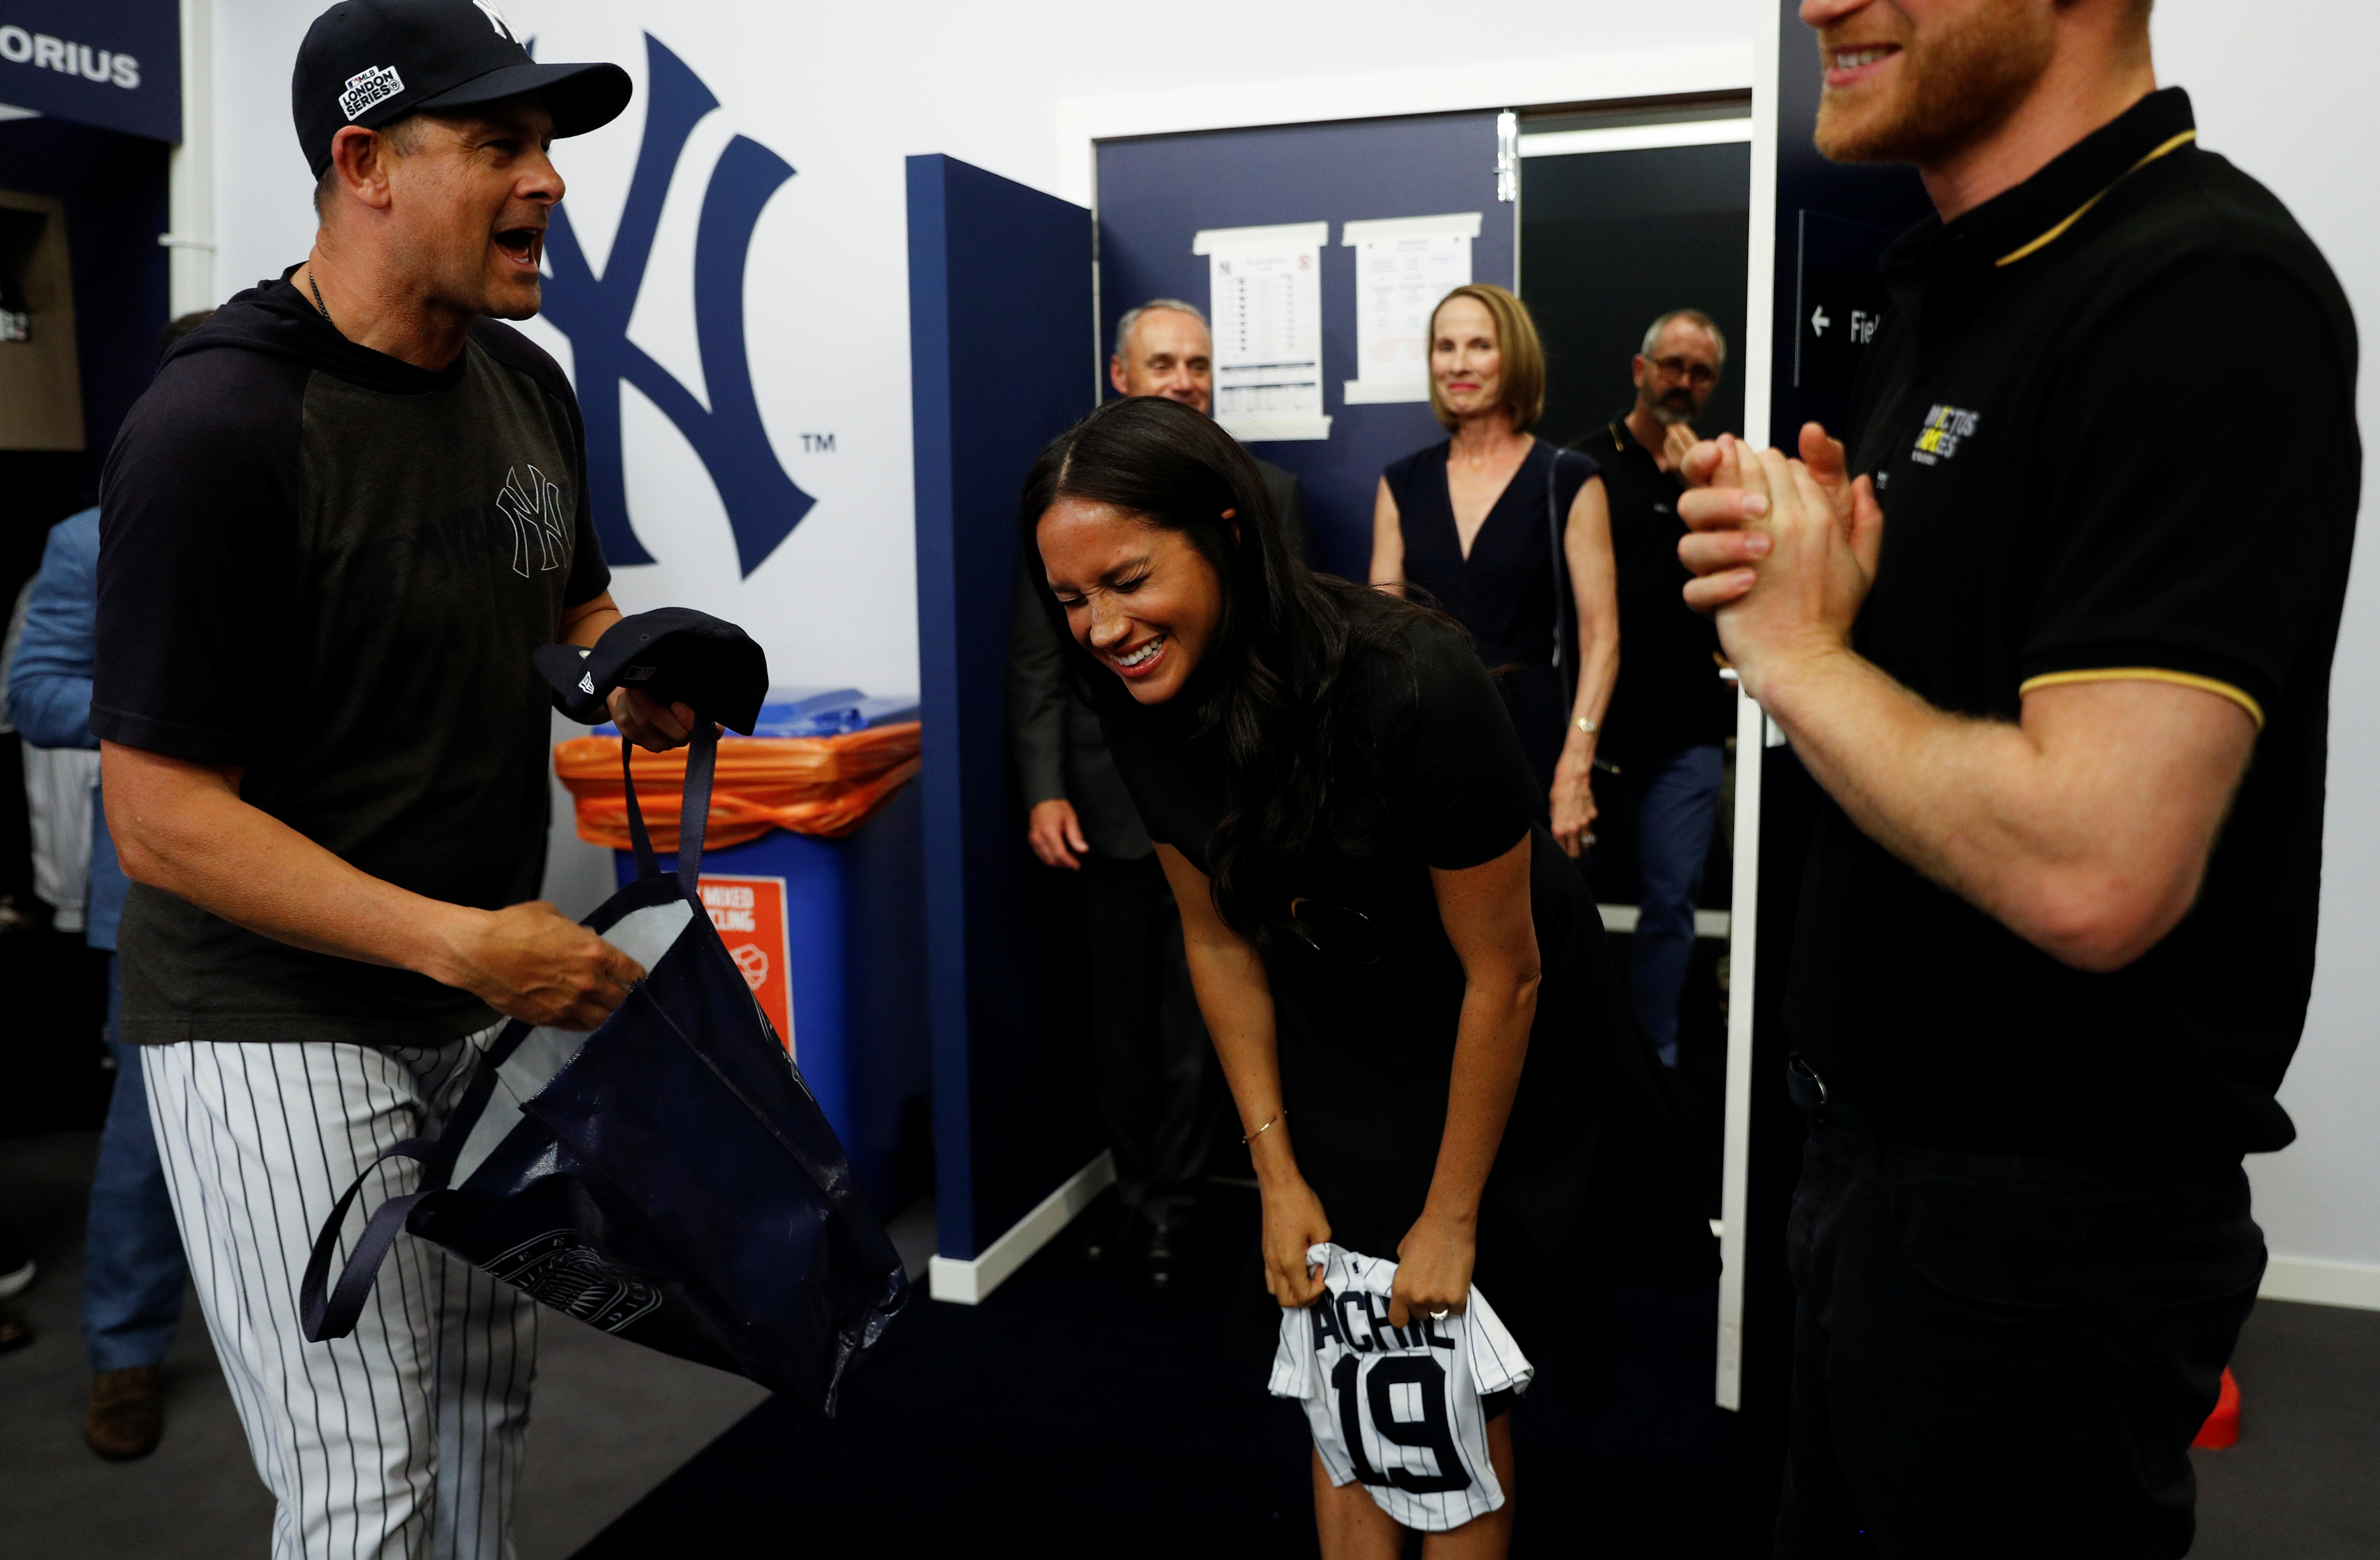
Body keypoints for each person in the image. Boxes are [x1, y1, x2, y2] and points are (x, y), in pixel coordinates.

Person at [1677, 1, 2358, 1553]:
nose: (1819, 3)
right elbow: (1952, 705)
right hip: (1872, 1172)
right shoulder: (1957, 284)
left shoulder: (2199, 289)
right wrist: (1837, 597)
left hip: (2040, 1231)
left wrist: (1799, 657)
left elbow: (2094, 870)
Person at [89, 4, 688, 1553]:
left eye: (545, 142)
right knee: (363, 1474)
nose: (548, 179)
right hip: (273, 1017)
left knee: (484, 1401)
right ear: (364, 164)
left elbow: (569, 606)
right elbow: (161, 821)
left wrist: (631, 675)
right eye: (499, 143)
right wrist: (462, 944)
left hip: (473, 990)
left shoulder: (524, 383)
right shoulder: (216, 427)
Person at [1023, 395, 1708, 1557]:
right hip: (1334, 1026)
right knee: (1339, 1358)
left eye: (1128, 580)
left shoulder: (1412, 680)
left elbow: (1505, 975)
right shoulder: (1133, 697)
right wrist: (1275, 1172)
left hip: (1491, 1023)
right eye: (1071, 599)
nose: (1102, 627)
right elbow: (1217, 942)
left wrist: (1448, 1219)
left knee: (1450, 1377)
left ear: (1225, 533)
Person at [1007, 297, 1311, 1289]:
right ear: (1121, 377)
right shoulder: (1065, 502)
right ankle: (1134, 1194)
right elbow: (1042, 658)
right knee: (1118, 1030)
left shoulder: (1264, 494)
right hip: (1104, 810)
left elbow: (1282, 661)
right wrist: (1044, 786)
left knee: (1197, 1027)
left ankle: (1174, 1207)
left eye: (1197, 364)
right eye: (1164, 363)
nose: (1183, 379)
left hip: (1218, 813)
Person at [1370, 285, 1616, 856]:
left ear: (1516, 357)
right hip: (1428, 738)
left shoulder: (1568, 479)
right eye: (1446, 347)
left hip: (1534, 740)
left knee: (1537, 904)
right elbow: (1381, 633)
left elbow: (1602, 637)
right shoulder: (1401, 484)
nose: (1459, 364)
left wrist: (1576, 764)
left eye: (1480, 346)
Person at [1585, 310, 1736, 1068]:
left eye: (1700, 372)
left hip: (1687, 727)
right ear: (1640, 370)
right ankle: (1576, 1055)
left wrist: (1695, 485)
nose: (1683, 382)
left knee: (1672, 900)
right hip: (1597, 727)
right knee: (1563, 896)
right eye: (1671, 365)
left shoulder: (1721, 477)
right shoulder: (1582, 465)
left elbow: (1744, 578)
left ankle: (1656, 1059)